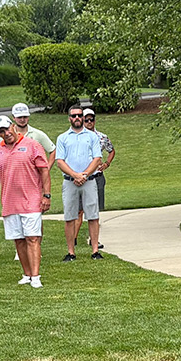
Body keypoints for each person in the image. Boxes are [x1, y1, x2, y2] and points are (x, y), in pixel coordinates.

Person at [0, 115, 51, 288]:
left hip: (31, 201)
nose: (6, 133)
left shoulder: (32, 145)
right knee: (19, 240)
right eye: (2, 131)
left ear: (13, 126)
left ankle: (36, 277)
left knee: (32, 238)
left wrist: (47, 195)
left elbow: (44, 171)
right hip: (10, 202)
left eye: (8, 128)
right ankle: (27, 274)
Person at [55, 105, 103, 261]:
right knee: (70, 217)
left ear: (83, 117)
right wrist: (75, 175)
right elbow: (60, 162)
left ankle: (95, 250)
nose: (77, 118)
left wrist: (84, 175)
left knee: (93, 216)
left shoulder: (92, 136)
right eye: (73, 116)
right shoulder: (62, 138)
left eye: (79, 115)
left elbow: (97, 159)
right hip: (70, 182)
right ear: (69, 118)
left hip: (89, 181)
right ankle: (71, 252)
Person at [84, 108, 113, 250]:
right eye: (86, 120)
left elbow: (111, 150)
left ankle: (94, 239)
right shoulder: (77, 137)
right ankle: (75, 238)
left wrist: (106, 163)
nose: (89, 122)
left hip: (97, 176)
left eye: (91, 119)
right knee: (80, 210)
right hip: (82, 177)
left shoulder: (101, 137)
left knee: (95, 210)